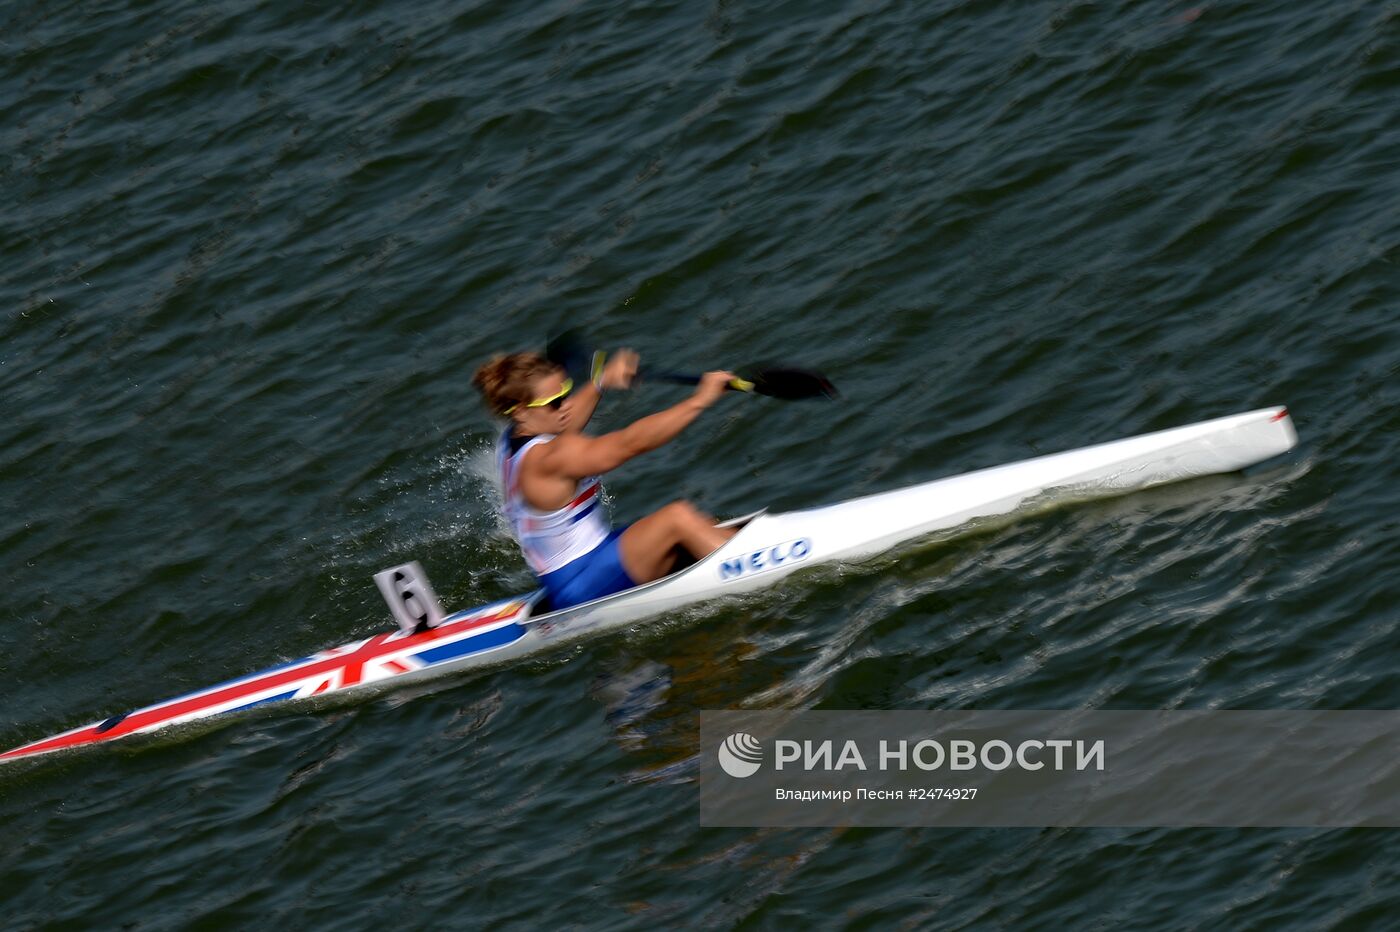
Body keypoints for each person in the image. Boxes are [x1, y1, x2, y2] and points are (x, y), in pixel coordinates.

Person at [472, 348, 740, 610]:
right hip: (581, 585)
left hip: (587, 565)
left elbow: (566, 416)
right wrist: (700, 400)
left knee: (701, 525)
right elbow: (630, 443)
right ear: (520, 411)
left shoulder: (513, 438)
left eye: (565, 393)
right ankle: (747, 565)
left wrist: (602, 381)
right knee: (676, 518)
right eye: (555, 402)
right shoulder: (548, 458)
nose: (566, 405)